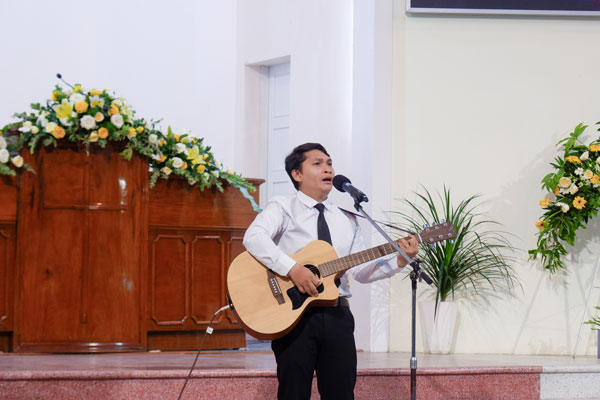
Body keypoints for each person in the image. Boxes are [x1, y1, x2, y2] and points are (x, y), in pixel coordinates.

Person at [243, 142, 419, 400]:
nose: (327, 169)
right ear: (297, 174)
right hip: (295, 315)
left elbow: (360, 271)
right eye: (317, 164)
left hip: (338, 315)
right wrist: (293, 269)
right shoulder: (283, 207)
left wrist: (399, 261)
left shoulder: (347, 218)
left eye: (329, 163)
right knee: (293, 393)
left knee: (341, 393)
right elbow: (254, 237)